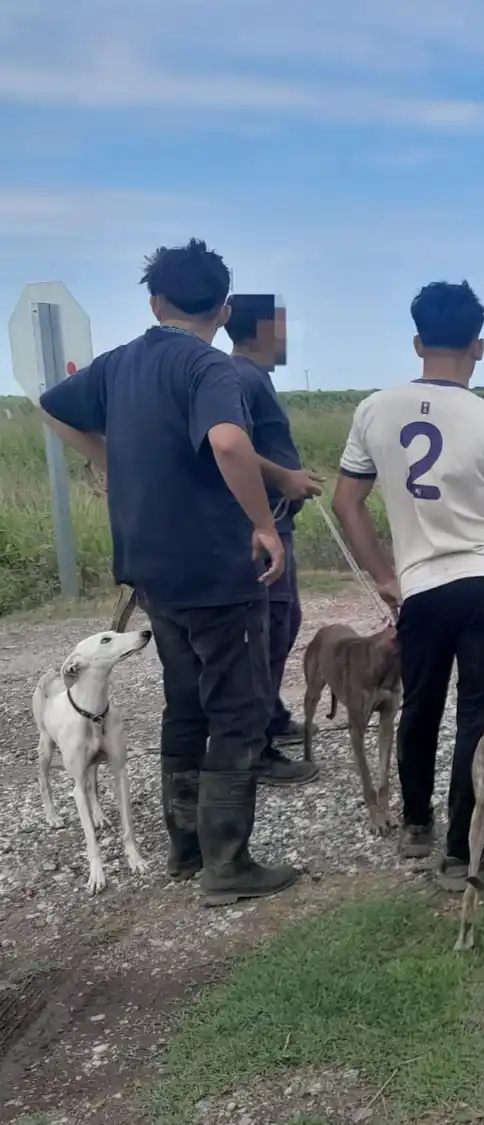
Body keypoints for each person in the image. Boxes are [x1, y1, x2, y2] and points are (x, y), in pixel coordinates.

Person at [37, 238, 300, 906]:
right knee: (238, 708)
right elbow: (229, 441)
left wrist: (108, 455)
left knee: (184, 701)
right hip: (216, 566)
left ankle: (185, 846)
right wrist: (265, 526)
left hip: (151, 571)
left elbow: (50, 403)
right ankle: (227, 861)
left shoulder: (120, 364)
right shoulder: (210, 368)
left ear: (154, 301)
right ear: (224, 306)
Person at [332, 280, 484, 889]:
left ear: (416, 341)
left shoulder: (375, 409)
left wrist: (385, 576)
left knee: (420, 706)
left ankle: (414, 823)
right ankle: (462, 851)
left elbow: (346, 500)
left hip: (421, 588)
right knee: (479, 717)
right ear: (478, 347)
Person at [222, 293, 324, 787]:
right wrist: (283, 477)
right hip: (263, 526)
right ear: (262, 328)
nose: (287, 334)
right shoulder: (241, 377)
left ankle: (272, 714)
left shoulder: (253, 377)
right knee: (270, 627)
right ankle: (256, 741)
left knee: (283, 621)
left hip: (276, 519)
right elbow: (231, 446)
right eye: (282, 324)